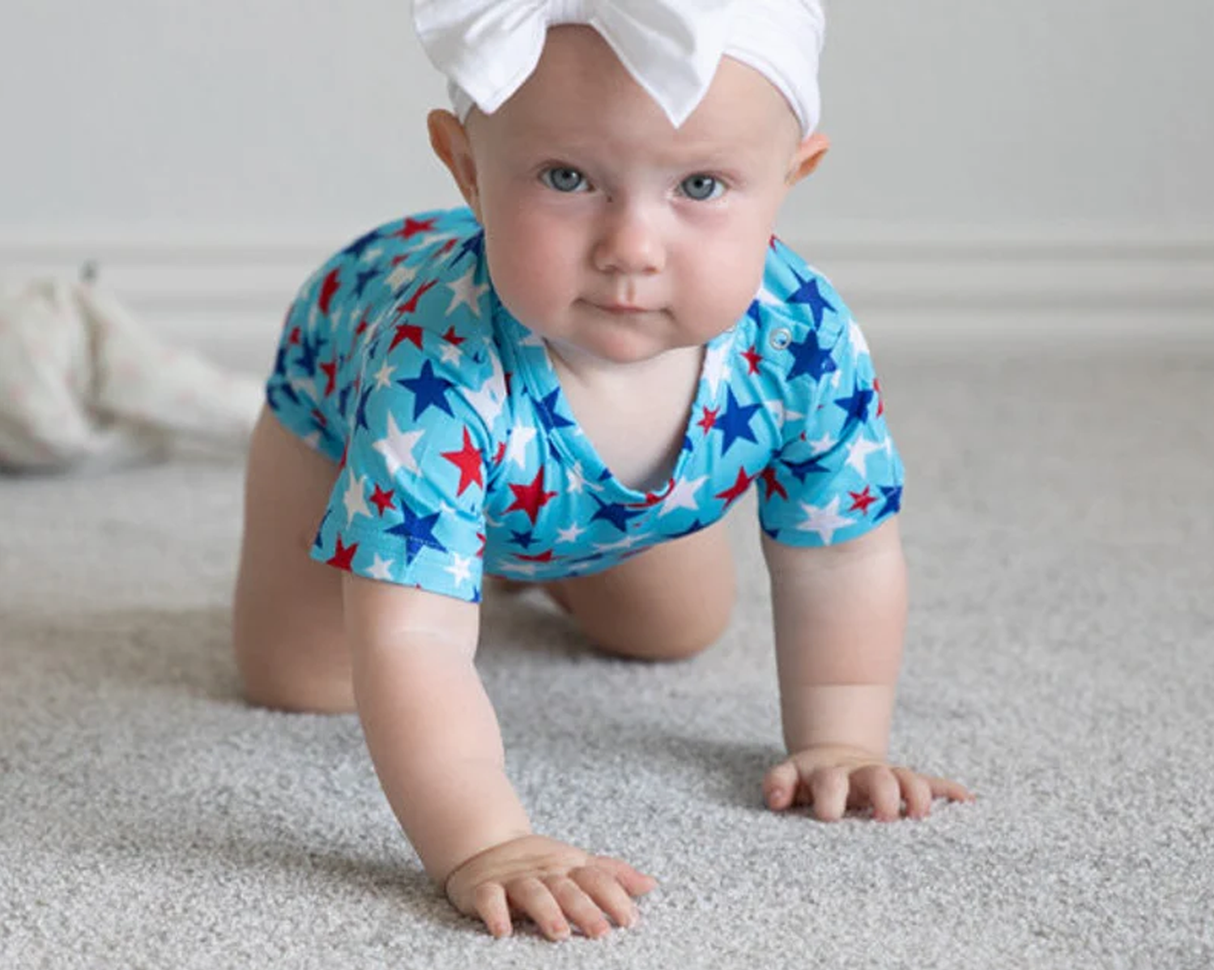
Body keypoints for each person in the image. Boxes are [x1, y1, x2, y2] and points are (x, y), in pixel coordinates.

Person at [232, 0, 973, 942]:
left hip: (598, 504)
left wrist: (842, 739)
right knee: (302, 677)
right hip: (344, 413)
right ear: (467, 168)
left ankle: (507, 558)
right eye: (568, 177)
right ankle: (461, 552)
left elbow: (842, 556)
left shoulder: (802, 338)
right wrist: (485, 842)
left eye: (700, 186)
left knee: (675, 630)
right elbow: (409, 644)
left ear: (791, 177)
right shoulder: (435, 371)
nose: (631, 246)